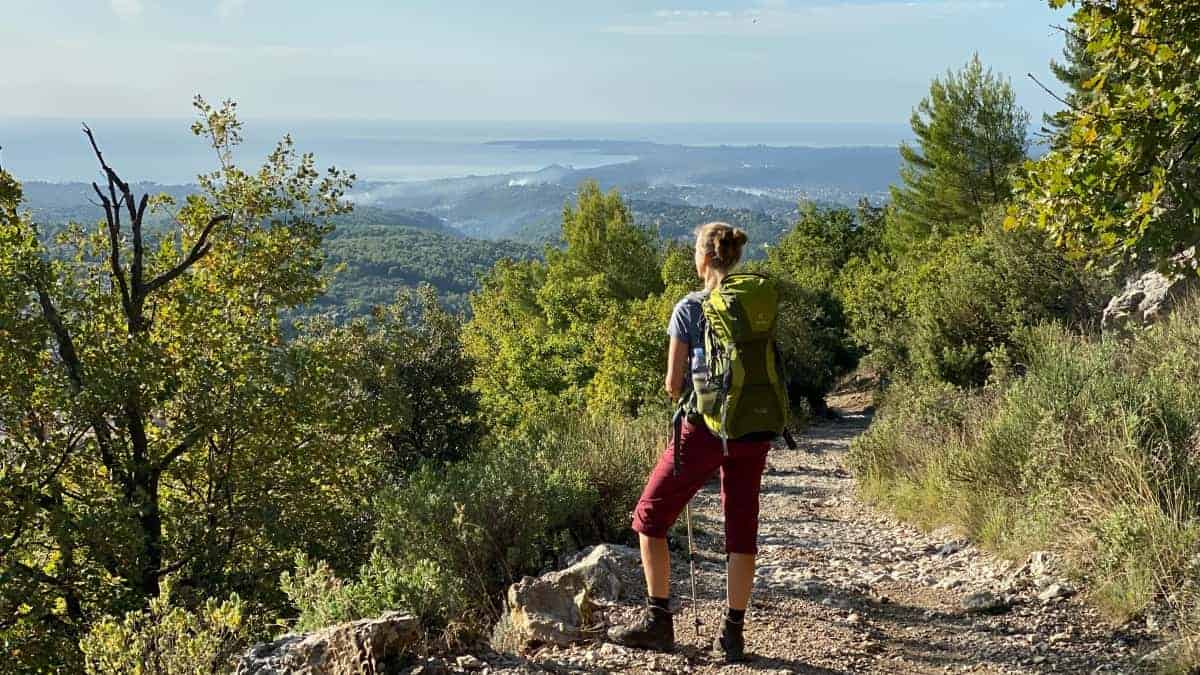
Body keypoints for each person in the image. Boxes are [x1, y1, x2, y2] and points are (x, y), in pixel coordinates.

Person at [607, 222, 772, 663]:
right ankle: (732, 636)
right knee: (741, 531)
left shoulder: (688, 308)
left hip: (703, 429)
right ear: (734, 257)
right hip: (753, 428)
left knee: (649, 518)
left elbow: (672, 383)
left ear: (702, 259)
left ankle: (659, 622)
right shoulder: (755, 302)